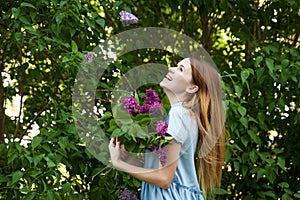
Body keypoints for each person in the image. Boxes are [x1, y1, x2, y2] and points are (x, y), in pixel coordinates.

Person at [109, 54, 226, 199]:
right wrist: (130, 160)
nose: (171, 69)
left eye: (181, 69)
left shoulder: (179, 114)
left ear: (192, 88)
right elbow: (162, 171)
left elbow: (165, 179)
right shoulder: (181, 115)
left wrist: (118, 163)